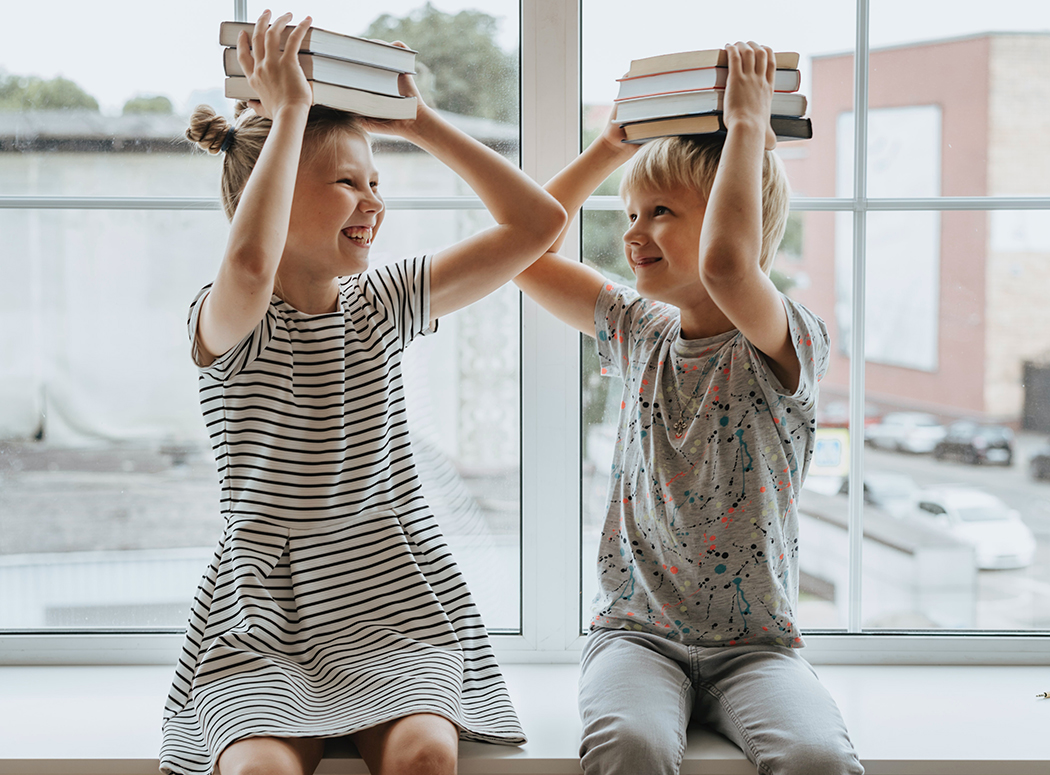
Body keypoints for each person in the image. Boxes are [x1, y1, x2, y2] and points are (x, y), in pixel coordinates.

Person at [161, 11, 565, 775]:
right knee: (260, 771)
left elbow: (537, 223)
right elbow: (250, 263)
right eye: (348, 183)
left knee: (423, 757)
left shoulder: (383, 302)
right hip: (264, 618)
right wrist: (286, 118)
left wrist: (422, 123)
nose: (374, 203)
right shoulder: (231, 319)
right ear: (271, 194)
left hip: (391, 600)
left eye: (377, 182)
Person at [515, 42, 863, 775]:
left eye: (661, 211)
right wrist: (608, 147)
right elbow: (522, 253)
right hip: (636, 636)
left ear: (735, 218)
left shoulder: (787, 340)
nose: (632, 232)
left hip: (758, 647)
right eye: (630, 213)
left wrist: (745, 126)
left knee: (818, 757)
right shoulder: (638, 328)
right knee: (630, 745)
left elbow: (729, 266)